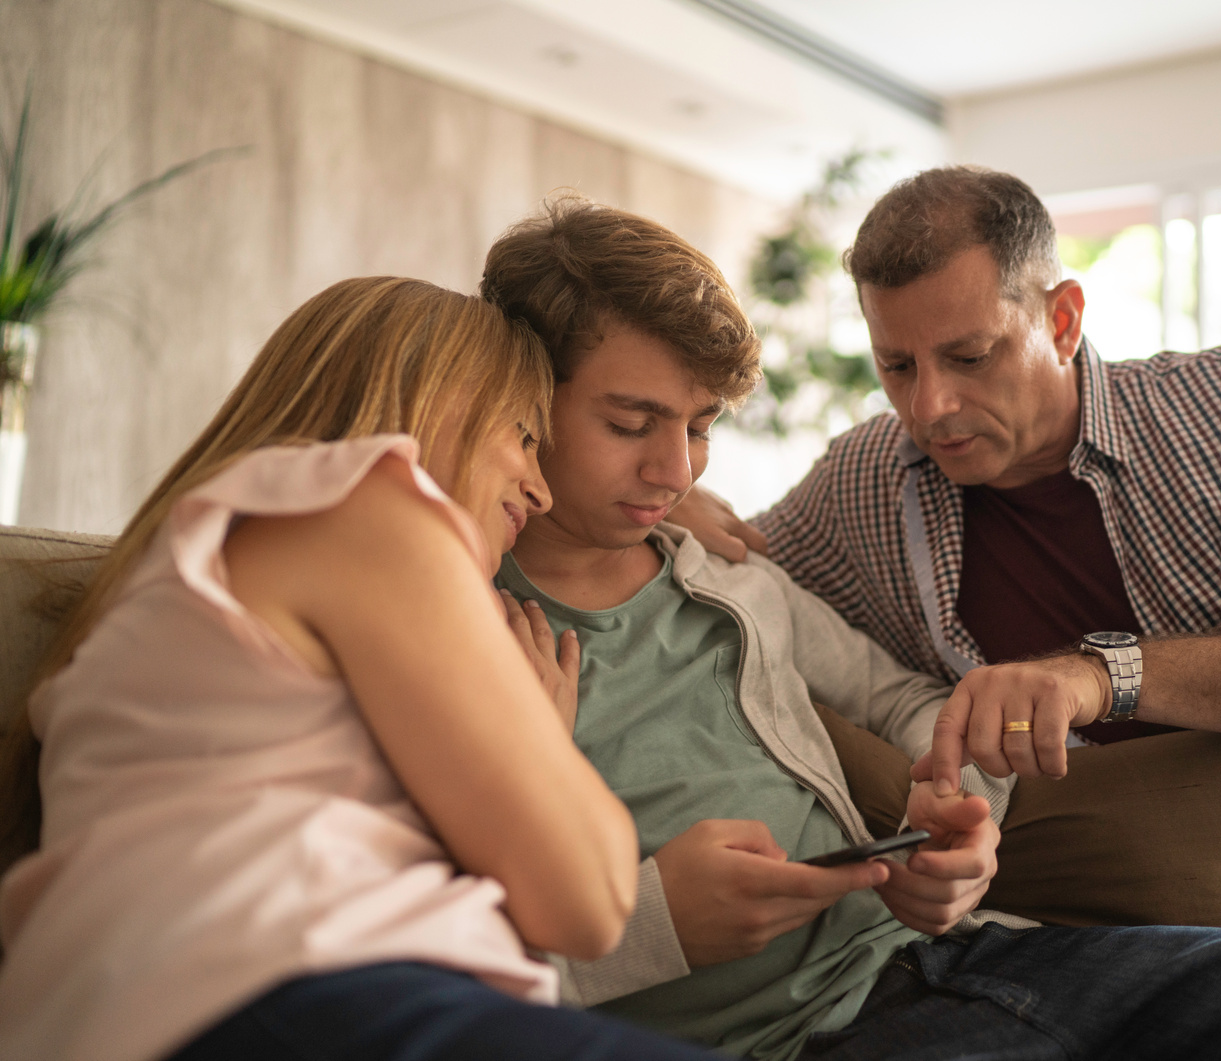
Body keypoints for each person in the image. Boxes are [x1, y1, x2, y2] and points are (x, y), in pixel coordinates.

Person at [479, 196, 1221, 1061]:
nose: (930, 406)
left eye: (971, 355)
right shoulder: (840, 493)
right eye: (896, 367)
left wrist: (976, 800)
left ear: (1062, 320)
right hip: (877, 1004)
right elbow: (408, 944)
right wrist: (699, 514)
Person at [0, 277, 717, 1061]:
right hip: (285, 989)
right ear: (438, 393)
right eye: (523, 435)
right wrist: (539, 730)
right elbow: (589, 898)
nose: (539, 490)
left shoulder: (216, 570)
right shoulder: (363, 504)